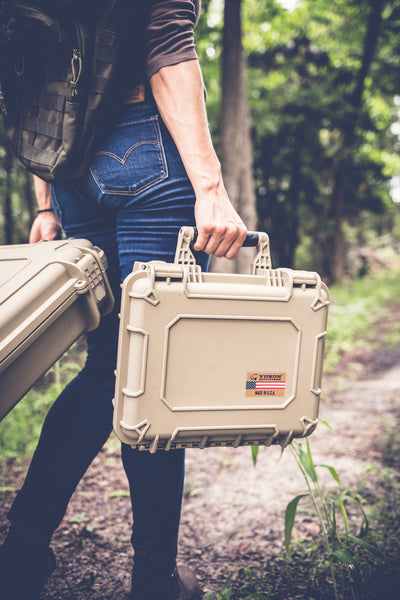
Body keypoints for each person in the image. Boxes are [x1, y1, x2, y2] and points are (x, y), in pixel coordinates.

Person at [0, 1, 247, 599]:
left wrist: (46, 200)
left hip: (70, 172)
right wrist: (211, 189)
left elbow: (26, 79)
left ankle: (22, 553)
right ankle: (155, 578)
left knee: (108, 370)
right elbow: (166, 44)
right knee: (156, 379)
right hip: (149, 154)